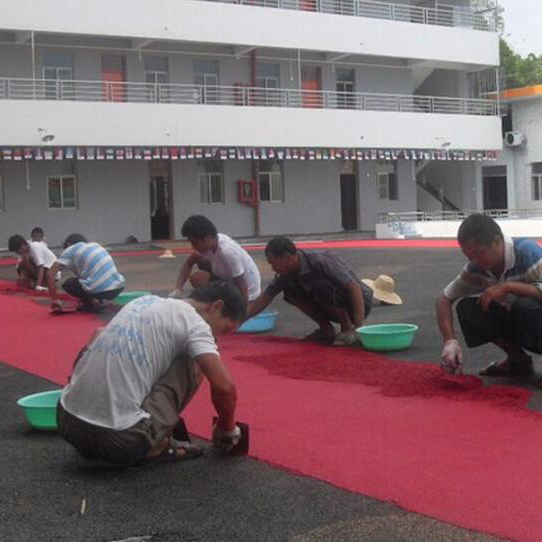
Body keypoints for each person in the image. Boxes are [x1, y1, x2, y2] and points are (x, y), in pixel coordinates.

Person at [57, 282, 246, 465]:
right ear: (216, 307)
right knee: (197, 360)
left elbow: (98, 333)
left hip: (67, 423)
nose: (219, 335)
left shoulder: (142, 302)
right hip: (120, 441)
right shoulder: (194, 324)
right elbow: (224, 387)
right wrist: (226, 427)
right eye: (226, 328)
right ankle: (157, 445)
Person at [436, 214, 542, 379]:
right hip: (520, 321)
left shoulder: (528, 252)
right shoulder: (476, 268)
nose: (474, 260)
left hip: (533, 316)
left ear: (497, 241)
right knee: (469, 308)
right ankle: (518, 361)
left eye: (479, 253)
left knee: (525, 305)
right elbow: (444, 298)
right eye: (469, 256)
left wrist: (508, 287)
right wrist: (450, 341)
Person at [246, 236, 372, 346]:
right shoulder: (285, 274)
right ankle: (326, 329)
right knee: (291, 293)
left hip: (359, 304)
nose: (273, 269)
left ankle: (347, 329)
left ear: (287, 257)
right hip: (334, 305)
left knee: (320, 286)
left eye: (274, 264)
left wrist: (359, 328)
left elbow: (354, 289)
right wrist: (238, 320)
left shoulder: (320, 261)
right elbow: (262, 300)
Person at [170, 215, 261, 304]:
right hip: (230, 282)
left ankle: (223, 303)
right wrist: (177, 289)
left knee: (198, 279)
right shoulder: (212, 242)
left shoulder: (227, 252)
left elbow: (241, 283)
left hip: (249, 294)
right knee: (197, 274)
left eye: (195, 243)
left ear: (207, 238)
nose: (193, 247)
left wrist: (243, 311)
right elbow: (189, 263)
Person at [46, 233, 125, 312]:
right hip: (118, 288)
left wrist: (55, 299)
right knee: (89, 278)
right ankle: (98, 300)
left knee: (69, 284)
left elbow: (50, 274)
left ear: (68, 244)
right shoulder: (95, 245)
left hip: (100, 291)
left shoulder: (70, 250)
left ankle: (91, 303)